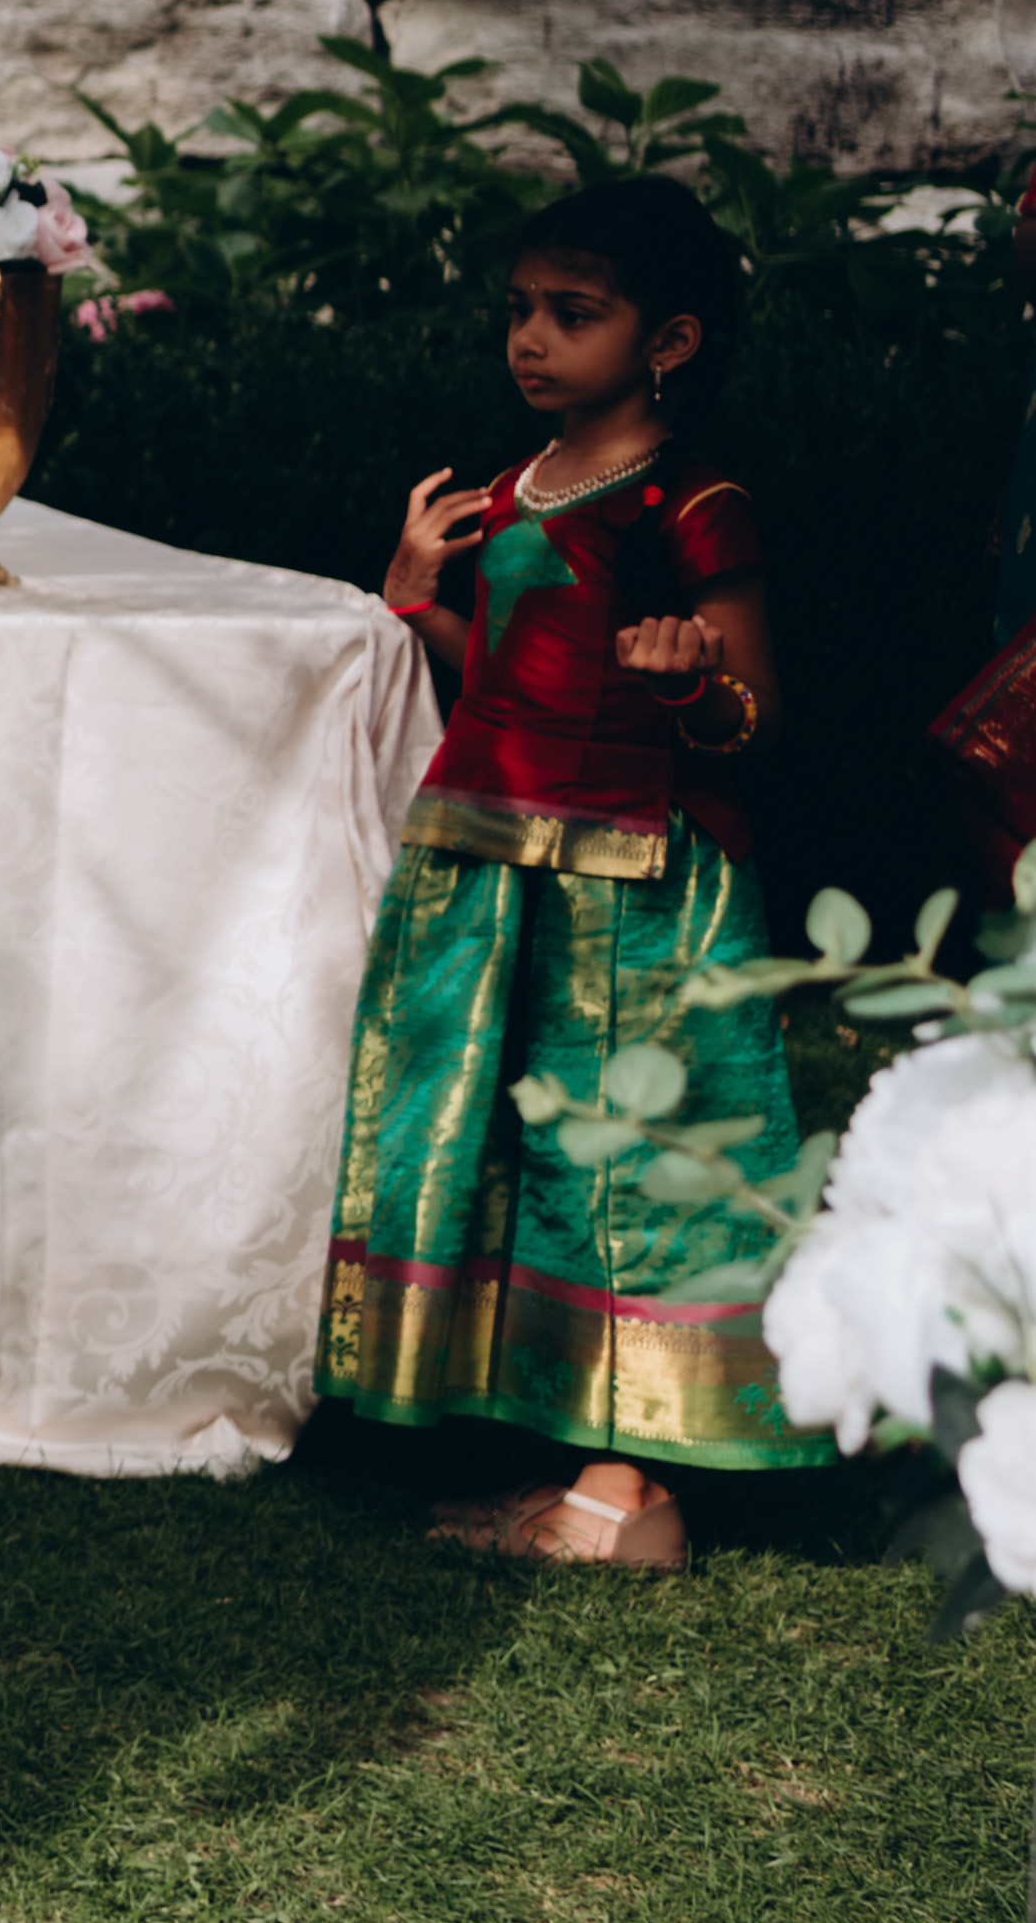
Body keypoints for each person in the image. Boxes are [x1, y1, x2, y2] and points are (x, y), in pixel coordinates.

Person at [326, 178, 817, 1563]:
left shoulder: (689, 502)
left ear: (667, 340)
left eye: (571, 312)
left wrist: (690, 686)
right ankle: (564, 1457)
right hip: (493, 868)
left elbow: (754, 716)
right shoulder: (510, 489)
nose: (529, 338)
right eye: (518, 310)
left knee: (627, 1160)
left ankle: (624, 1487)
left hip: (631, 884)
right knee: (517, 1148)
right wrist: (414, 601)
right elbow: (504, 682)